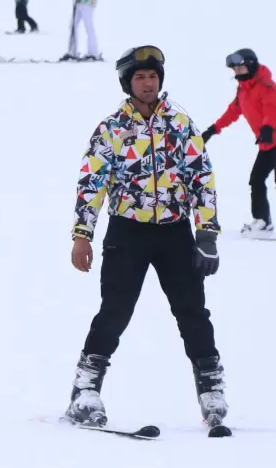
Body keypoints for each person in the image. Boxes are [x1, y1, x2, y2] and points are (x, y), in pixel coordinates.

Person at [65, 46, 227, 433]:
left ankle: (212, 390)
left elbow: (201, 177)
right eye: (140, 77)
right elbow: (92, 184)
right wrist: (82, 236)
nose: (148, 83)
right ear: (127, 82)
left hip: (174, 232)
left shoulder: (180, 123)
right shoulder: (112, 128)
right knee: (115, 311)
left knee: (192, 312)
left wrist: (206, 233)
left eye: (153, 76)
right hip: (127, 231)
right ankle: (85, 391)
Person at [201, 49, 276, 236]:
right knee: (256, 180)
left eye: (240, 67)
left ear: (250, 64)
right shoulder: (243, 89)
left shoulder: (267, 85)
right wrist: (213, 129)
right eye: (234, 69)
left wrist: (267, 128)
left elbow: (271, 109)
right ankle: (262, 222)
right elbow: (233, 111)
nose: (237, 72)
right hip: (266, 143)